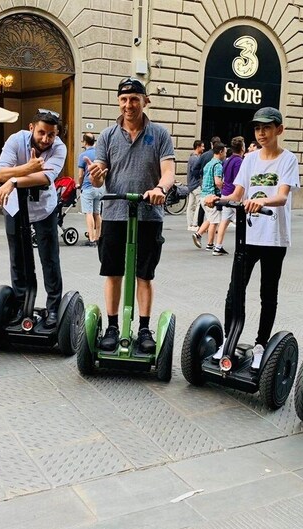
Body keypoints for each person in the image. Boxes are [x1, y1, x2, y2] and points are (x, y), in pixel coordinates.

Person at [83, 77, 175, 353]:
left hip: (148, 214)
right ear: (118, 102)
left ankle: (144, 328)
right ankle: (112, 326)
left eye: (134, 99)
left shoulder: (159, 134)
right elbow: (99, 179)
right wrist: (96, 177)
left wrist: (160, 188)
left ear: (145, 101)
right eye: (124, 99)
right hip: (114, 213)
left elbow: (169, 170)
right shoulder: (108, 136)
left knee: (144, 275)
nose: (128, 104)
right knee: (113, 273)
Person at [205, 107, 299, 362]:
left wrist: (262, 202)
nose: (261, 133)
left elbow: (281, 196)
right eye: (258, 128)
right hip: (248, 236)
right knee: (235, 290)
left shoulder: (288, 159)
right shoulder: (250, 159)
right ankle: (228, 340)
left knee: (268, 294)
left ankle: (260, 345)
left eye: (267, 128)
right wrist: (218, 199)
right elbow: (237, 195)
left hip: (274, 238)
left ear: (279, 130)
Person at [0, 109, 67, 329]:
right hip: (15, 206)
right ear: (31, 128)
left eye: (51, 135)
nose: (46, 139)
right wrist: (27, 168)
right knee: (18, 258)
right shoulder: (16, 140)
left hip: (44, 207)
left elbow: (45, 176)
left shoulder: (59, 147)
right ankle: (20, 305)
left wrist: (13, 180)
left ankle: (53, 308)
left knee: (49, 258)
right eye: (41, 132)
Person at [212, 136, 245, 256]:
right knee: (244, 221)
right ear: (242, 147)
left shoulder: (228, 160)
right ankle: (245, 246)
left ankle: (218, 246)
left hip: (225, 193)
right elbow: (239, 180)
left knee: (224, 221)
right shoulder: (239, 162)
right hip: (234, 195)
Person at [191, 143, 225, 251]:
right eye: (224, 151)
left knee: (210, 219)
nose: (225, 154)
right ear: (220, 152)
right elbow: (218, 182)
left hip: (203, 194)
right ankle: (210, 244)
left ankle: (198, 234)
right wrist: (224, 190)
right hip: (212, 196)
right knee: (214, 221)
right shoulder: (218, 165)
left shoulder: (209, 164)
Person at [77, 132, 103, 247]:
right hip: (100, 188)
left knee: (89, 213)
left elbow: (80, 175)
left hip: (88, 187)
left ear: (84, 142)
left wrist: (80, 184)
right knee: (97, 213)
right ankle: (98, 237)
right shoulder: (99, 153)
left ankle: (91, 239)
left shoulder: (83, 155)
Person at [185, 139, 204, 230]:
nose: (203, 148)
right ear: (198, 147)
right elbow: (195, 171)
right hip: (195, 184)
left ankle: (190, 224)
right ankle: (194, 224)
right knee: (198, 203)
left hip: (191, 184)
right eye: (202, 146)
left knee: (191, 204)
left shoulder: (191, 157)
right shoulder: (195, 158)